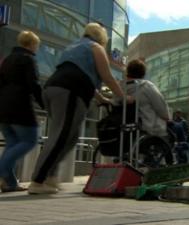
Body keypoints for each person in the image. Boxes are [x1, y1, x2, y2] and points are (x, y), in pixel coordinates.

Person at [28, 23, 133, 194]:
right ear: (101, 37)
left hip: (54, 89)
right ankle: (38, 180)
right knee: (61, 136)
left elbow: (83, 76)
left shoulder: (73, 47)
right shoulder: (95, 47)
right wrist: (123, 97)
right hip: (69, 93)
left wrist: (101, 98)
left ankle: (50, 177)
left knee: (71, 137)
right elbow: (106, 76)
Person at [0, 31, 43, 192]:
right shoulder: (28, 59)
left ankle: (10, 183)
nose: (37, 48)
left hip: (3, 108)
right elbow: (34, 84)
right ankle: (2, 171)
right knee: (30, 140)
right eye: (37, 45)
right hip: (20, 107)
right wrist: (44, 103)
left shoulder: (7, 60)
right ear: (32, 44)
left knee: (12, 143)